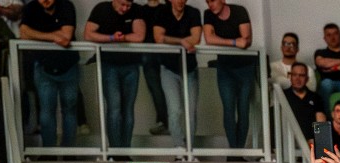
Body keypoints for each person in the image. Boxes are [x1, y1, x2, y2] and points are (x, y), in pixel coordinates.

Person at [82, 0, 145, 150]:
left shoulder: (137, 10)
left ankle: (125, 150)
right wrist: (111, 38)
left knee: (128, 110)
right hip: (109, 65)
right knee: (114, 109)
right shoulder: (102, 8)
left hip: (131, 65)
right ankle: (115, 151)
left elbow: (139, 36)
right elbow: (88, 34)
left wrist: (122, 38)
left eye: (128, 6)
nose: (125, 9)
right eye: (122, 4)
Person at [21, 0, 80, 147]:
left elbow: (66, 35)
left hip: (68, 66)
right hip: (43, 66)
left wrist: (37, 34)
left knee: (70, 110)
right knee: (46, 112)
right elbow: (23, 33)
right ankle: (49, 152)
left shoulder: (66, 5)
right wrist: (54, 36)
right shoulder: (31, 7)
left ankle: (69, 152)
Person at [201, 0, 253, 149]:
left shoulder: (239, 11)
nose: (210, 5)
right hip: (225, 67)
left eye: (213, 0)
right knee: (228, 110)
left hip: (245, 67)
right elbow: (209, 39)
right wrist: (234, 42)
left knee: (243, 110)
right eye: (207, 1)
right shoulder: (208, 14)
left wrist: (224, 41)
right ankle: (234, 150)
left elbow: (246, 40)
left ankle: (238, 151)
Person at [151, 0, 201, 146]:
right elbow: (158, 38)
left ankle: (190, 149)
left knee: (191, 112)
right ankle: (179, 147)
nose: (180, 1)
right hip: (169, 68)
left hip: (190, 69)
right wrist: (182, 42)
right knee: (175, 110)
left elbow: (196, 38)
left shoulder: (193, 12)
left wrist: (170, 40)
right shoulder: (162, 13)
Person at [282, 62, 326, 141]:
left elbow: (320, 122)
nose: (297, 78)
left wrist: (317, 140)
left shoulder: (316, 98)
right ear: (290, 77)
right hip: (288, 141)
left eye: (301, 75)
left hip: (311, 142)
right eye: (294, 75)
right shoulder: (283, 96)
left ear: (307, 78)